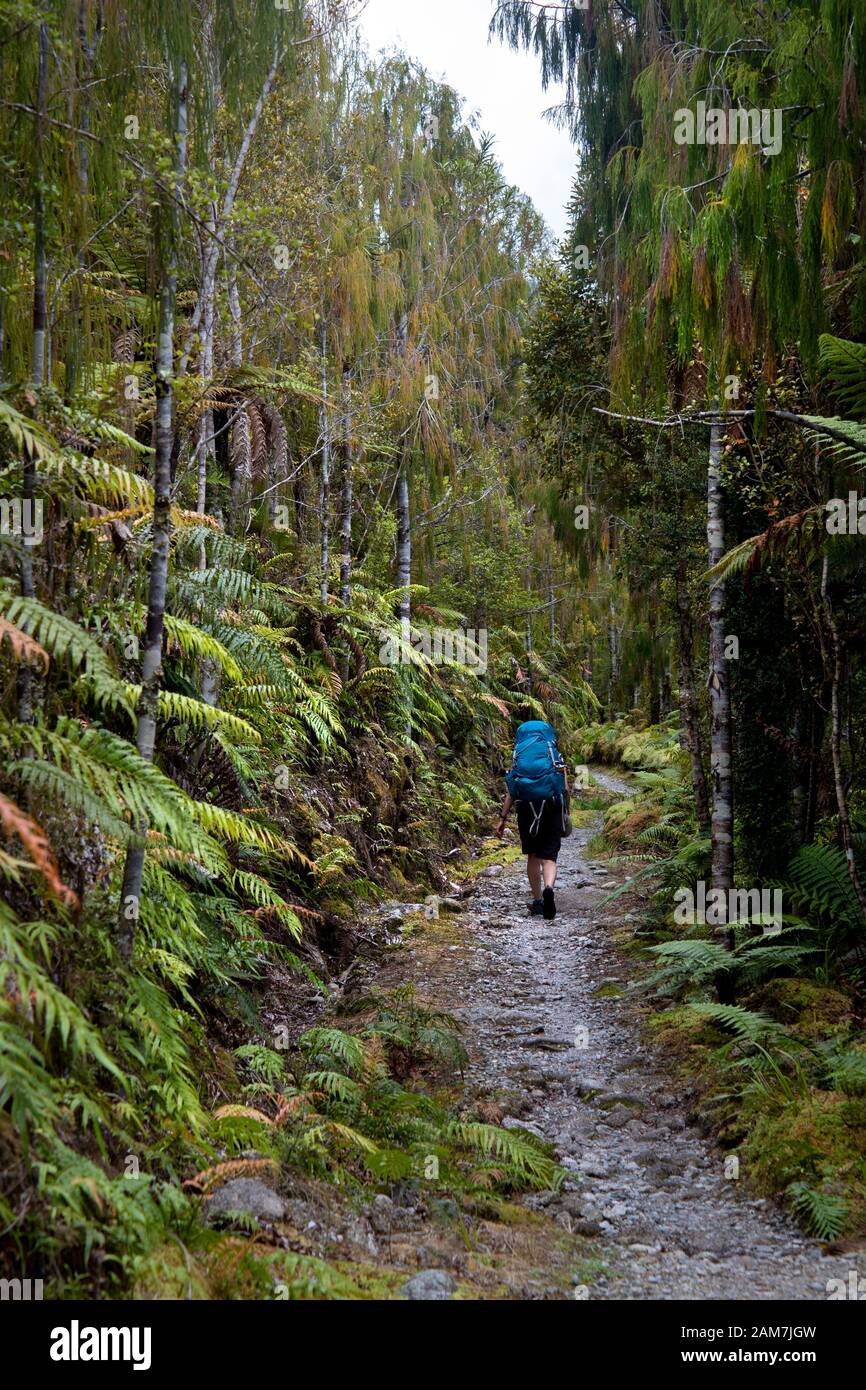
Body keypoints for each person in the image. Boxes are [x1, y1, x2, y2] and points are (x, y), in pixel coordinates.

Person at [496, 720, 568, 920]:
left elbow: (512, 790)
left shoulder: (519, 754)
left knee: (533, 855)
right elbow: (564, 788)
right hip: (552, 804)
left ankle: (537, 901)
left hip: (526, 806)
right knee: (549, 856)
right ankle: (549, 888)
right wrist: (565, 811)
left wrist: (502, 818)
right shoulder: (553, 754)